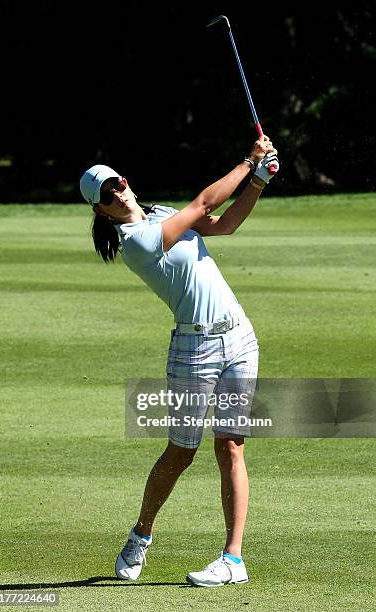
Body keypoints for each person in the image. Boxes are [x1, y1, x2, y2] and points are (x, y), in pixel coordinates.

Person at [79, 137, 279, 587]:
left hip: (240, 338)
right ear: (101, 211)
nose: (119, 191)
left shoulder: (163, 215)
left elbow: (224, 223)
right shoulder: (137, 242)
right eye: (108, 194)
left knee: (231, 445)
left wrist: (260, 182)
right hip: (195, 351)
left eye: (119, 182)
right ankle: (141, 534)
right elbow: (206, 199)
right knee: (181, 452)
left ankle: (233, 560)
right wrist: (249, 160)